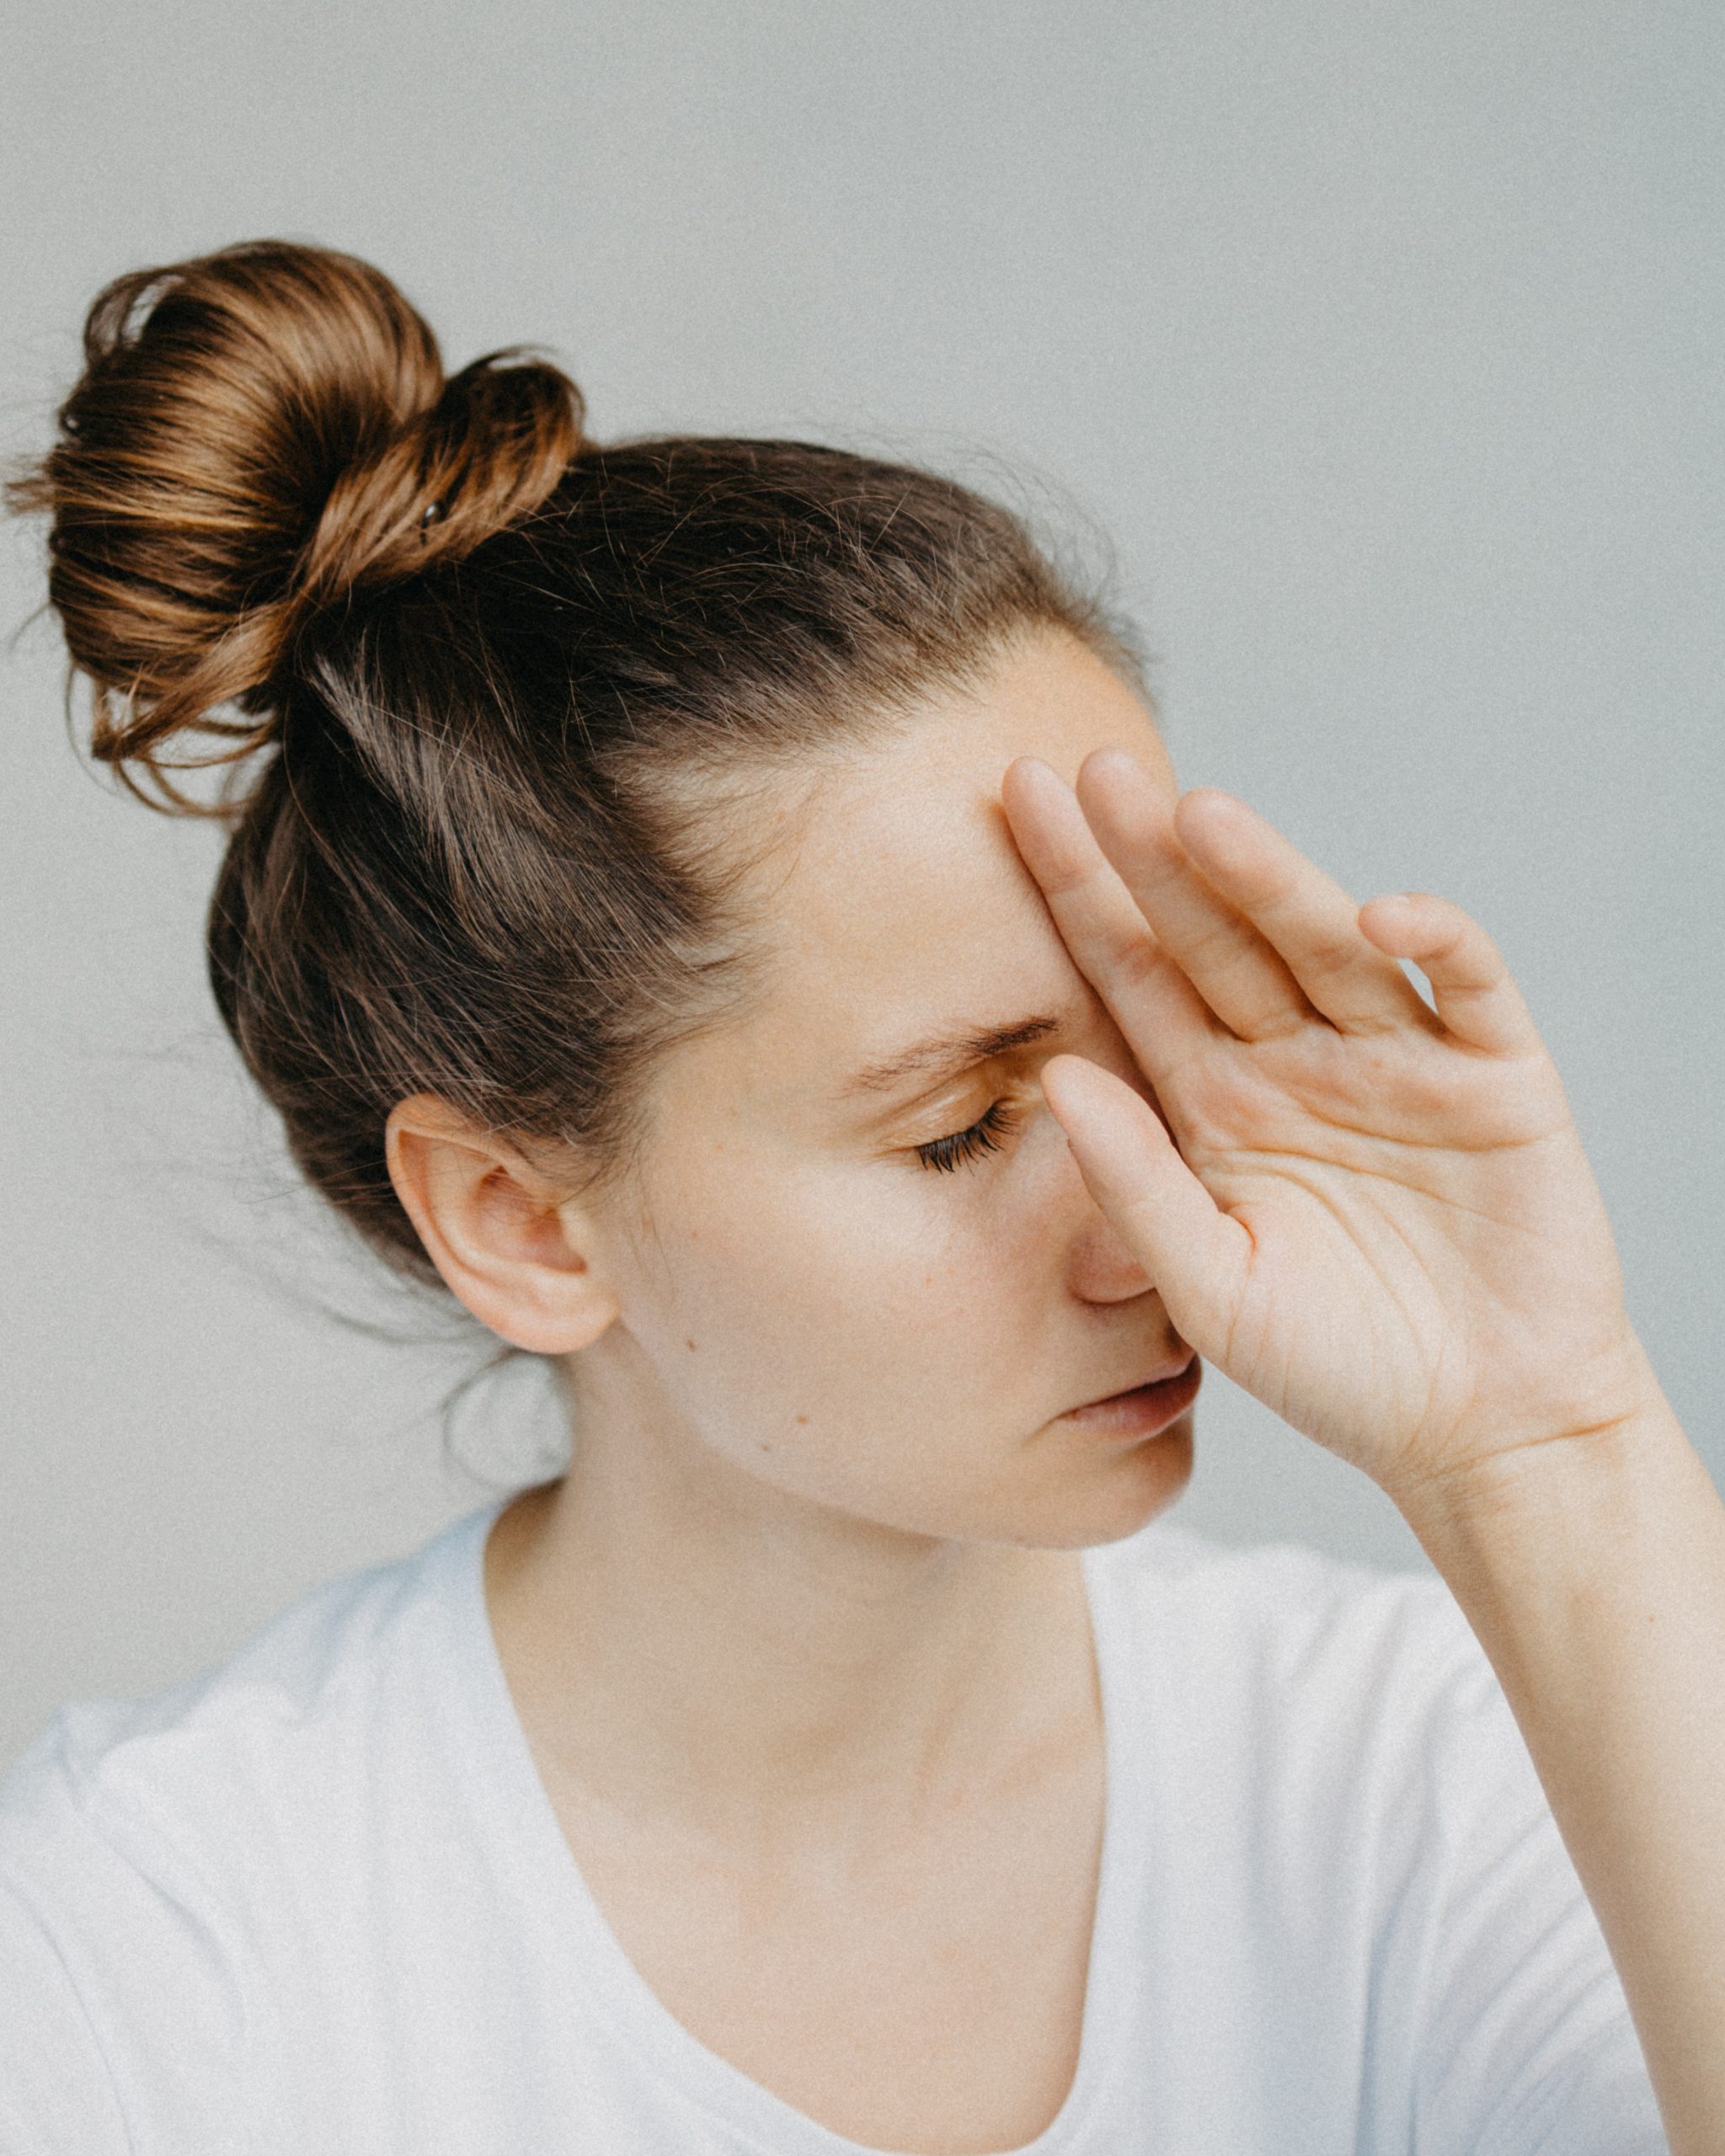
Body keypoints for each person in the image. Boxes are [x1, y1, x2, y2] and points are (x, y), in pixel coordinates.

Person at [0, 240, 1717, 2156]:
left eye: (1165, 1040)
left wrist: (1551, 1450)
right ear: (522, 1218)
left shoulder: (1460, 1777)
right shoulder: (148, 1955)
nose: (1161, 1222)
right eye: (961, 1127)